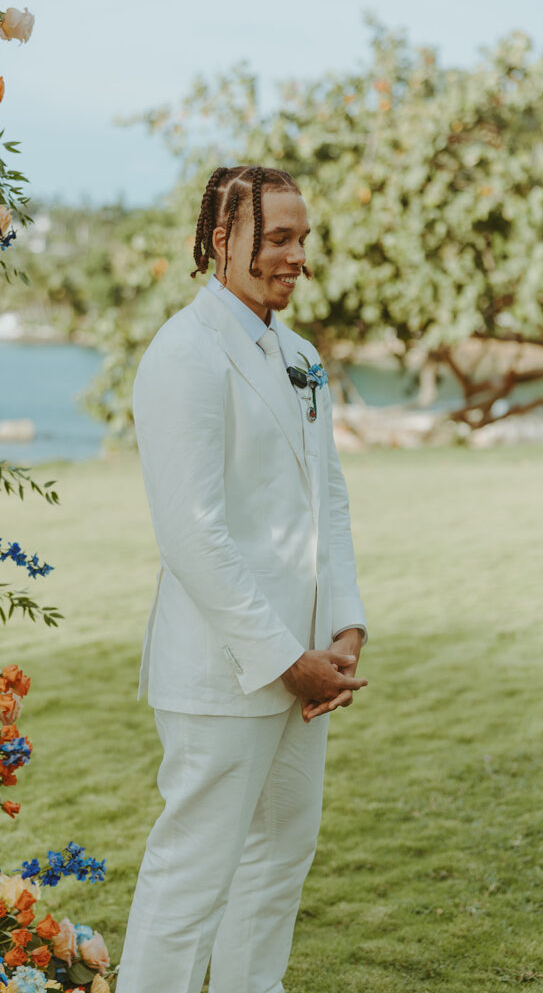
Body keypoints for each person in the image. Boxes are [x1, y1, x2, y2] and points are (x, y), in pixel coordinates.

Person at [116, 164, 368, 993]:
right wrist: (280, 655)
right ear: (223, 241)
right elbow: (193, 533)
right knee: (190, 881)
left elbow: (324, 498)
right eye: (279, 238)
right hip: (224, 670)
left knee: (277, 869)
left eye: (303, 238)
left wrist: (343, 629)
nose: (296, 256)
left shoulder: (298, 356)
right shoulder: (184, 353)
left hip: (307, 665)